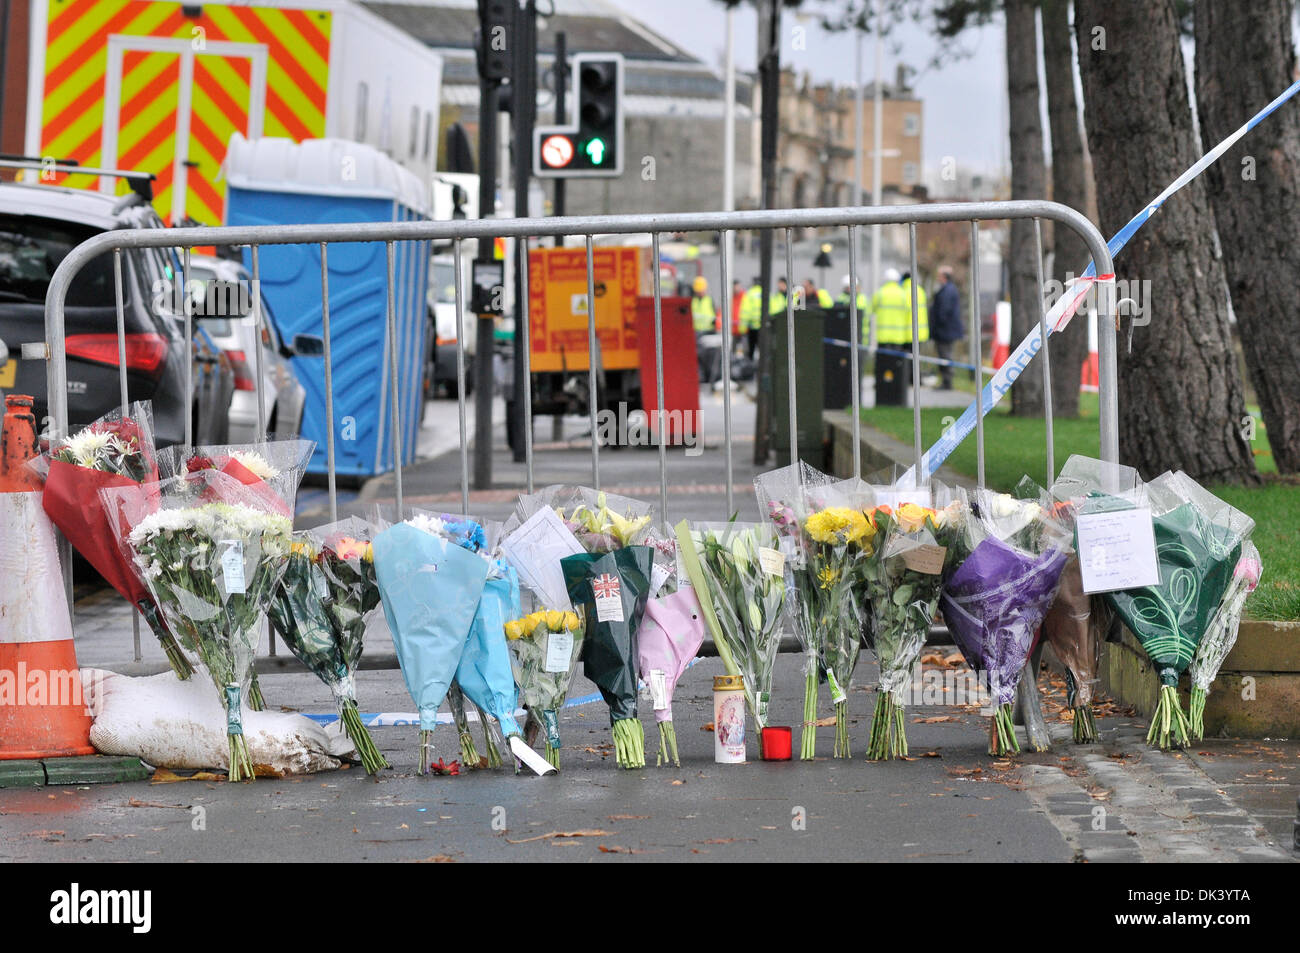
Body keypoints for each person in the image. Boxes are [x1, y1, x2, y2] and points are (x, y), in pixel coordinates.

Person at [930, 265, 964, 390]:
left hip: (945, 331)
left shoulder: (947, 291)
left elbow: (943, 311)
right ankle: (945, 380)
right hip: (945, 330)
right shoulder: (948, 289)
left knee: (945, 355)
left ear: (944, 276)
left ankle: (947, 381)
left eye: (939, 275)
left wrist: (938, 325)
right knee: (944, 355)